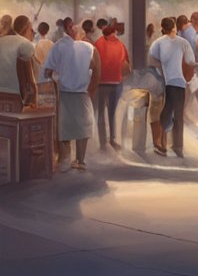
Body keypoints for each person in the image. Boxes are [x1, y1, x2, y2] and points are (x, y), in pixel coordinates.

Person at [44, 17, 100, 170]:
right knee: (83, 127)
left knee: (65, 127)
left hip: (65, 93)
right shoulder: (89, 48)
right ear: (70, 28)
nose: (82, 31)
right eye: (78, 27)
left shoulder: (59, 46)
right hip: (83, 93)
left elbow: (48, 70)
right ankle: (80, 161)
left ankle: (65, 161)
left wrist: (55, 78)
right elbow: (96, 70)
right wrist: (92, 90)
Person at [148, 16, 195, 157]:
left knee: (165, 113)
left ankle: (162, 144)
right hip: (179, 83)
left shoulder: (157, 43)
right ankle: (178, 146)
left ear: (162, 28)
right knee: (178, 115)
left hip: (165, 82)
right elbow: (191, 60)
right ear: (174, 27)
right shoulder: (183, 42)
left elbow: (153, 60)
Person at [92, 24, 129, 149]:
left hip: (102, 82)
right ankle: (113, 139)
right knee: (112, 112)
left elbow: (94, 63)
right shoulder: (120, 44)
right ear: (114, 32)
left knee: (101, 113)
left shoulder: (97, 44)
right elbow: (126, 61)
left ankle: (103, 143)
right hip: (116, 82)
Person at [0, 15, 37, 111]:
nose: (33, 33)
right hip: (16, 98)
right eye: (31, 30)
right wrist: (31, 101)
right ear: (26, 28)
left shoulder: (3, 41)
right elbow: (28, 80)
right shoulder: (24, 45)